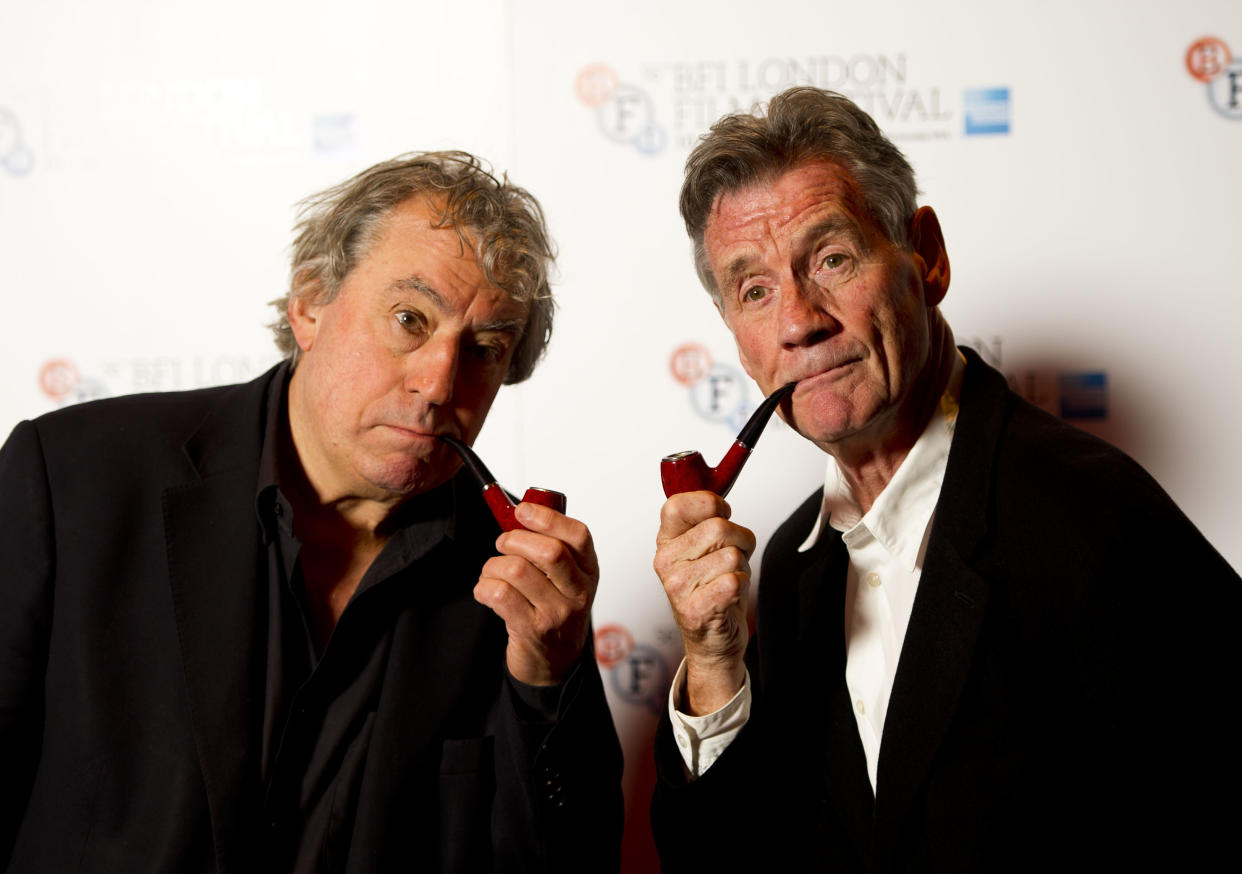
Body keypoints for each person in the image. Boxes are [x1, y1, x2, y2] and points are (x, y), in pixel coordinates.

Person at [650, 87, 1241, 872]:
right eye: (754, 290)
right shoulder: (792, 569)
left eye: (831, 258)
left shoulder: (1098, 523)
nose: (798, 322)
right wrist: (717, 666)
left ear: (925, 257)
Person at [0, 151, 622, 873]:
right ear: (309, 305)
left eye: (484, 349)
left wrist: (548, 676)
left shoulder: (518, 588)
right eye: (408, 318)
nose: (438, 382)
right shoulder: (74, 477)